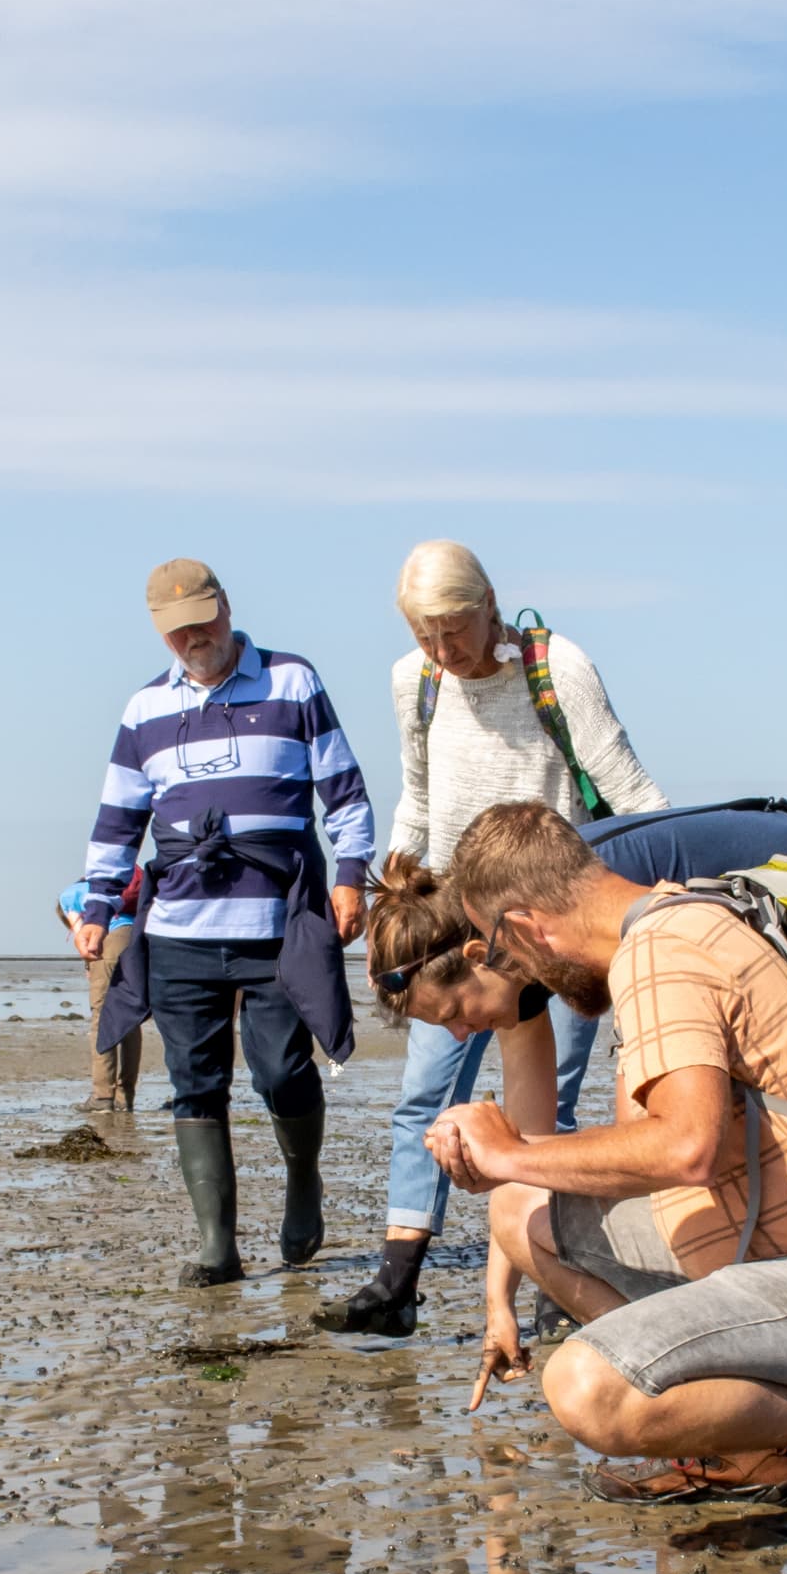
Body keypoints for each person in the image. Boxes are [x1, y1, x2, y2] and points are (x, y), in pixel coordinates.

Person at [430, 801, 787, 1541]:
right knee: (523, 1212)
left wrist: (510, 1153)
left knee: (588, 1389)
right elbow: (658, 1153)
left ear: (524, 925)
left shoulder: (661, 954)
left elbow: (687, 1149)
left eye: (500, 954)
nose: (512, 974)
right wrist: (514, 1176)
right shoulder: (678, 917)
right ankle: (744, 1451)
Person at [347, 802, 787, 1339]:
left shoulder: (581, 909)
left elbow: (647, 1144)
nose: (459, 1035)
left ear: (482, 953)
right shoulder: (516, 952)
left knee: (677, 1146)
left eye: (454, 1013)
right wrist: (499, 1305)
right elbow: (525, 1158)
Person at [326, 541, 672, 1338]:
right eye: (426, 635)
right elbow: (416, 798)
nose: (446, 652)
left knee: (539, 1108)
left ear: (491, 603)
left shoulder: (559, 671)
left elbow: (632, 795)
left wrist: (659, 920)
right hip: (448, 931)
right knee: (426, 1094)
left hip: (554, 931)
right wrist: (389, 903)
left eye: (456, 630)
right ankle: (397, 1280)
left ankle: (554, 1270)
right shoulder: (413, 683)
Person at [77, 559, 374, 1288]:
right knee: (194, 1083)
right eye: (177, 631)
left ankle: (303, 1179)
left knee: (280, 1071)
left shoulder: (292, 681)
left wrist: (349, 876)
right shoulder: (142, 709)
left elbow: (344, 792)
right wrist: (95, 904)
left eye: (203, 622)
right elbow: (118, 819)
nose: (193, 639)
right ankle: (218, 1247)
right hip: (180, 927)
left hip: (279, 920)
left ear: (227, 609)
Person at [57, 868, 144, 1114]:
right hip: (136, 940)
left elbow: (83, 936)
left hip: (109, 939)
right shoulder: (123, 890)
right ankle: (125, 1095)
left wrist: (88, 963)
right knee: (130, 1018)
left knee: (101, 1016)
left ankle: (103, 1095)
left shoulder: (69, 895)